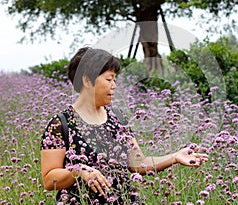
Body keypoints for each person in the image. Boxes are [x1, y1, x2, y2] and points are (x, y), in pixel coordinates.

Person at [40, 47, 208, 204]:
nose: (114, 85)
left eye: (115, 79)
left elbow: (137, 164)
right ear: (86, 80)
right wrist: (79, 171)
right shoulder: (61, 124)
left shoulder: (117, 119)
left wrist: (174, 157)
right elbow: (49, 179)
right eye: (108, 79)